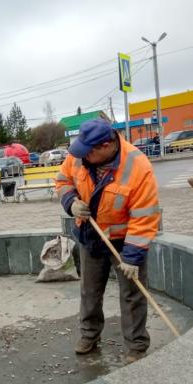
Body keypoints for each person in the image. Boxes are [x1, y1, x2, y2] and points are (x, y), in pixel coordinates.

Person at [55, 119, 161, 363]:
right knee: (89, 291)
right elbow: (62, 181)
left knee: (133, 294)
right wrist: (71, 202)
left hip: (125, 241)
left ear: (105, 146)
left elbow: (145, 215)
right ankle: (89, 334)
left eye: (88, 152)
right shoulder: (79, 155)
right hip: (90, 235)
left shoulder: (137, 166)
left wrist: (132, 257)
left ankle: (136, 345)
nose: (83, 156)